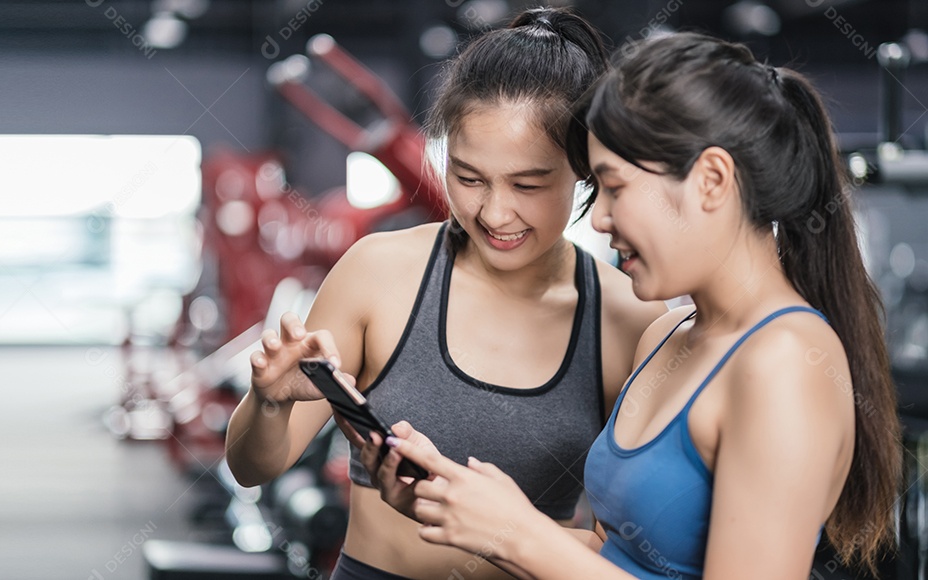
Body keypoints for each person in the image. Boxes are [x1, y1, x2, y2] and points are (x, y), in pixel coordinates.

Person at [384, 31, 904, 579]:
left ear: (710, 181)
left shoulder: (786, 361)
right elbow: (620, 562)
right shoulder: (667, 335)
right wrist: (463, 507)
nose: (599, 218)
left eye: (614, 187)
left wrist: (518, 534)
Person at [224, 8, 665, 580]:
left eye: (528, 185)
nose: (494, 213)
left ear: (585, 169)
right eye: (468, 177)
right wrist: (269, 402)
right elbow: (252, 467)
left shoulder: (628, 319)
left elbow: (626, 555)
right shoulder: (378, 271)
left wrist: (494, 523)